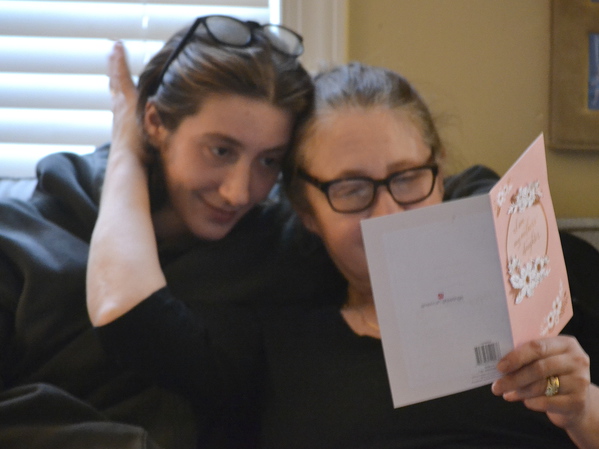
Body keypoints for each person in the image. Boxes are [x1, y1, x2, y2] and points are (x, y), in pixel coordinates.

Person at [88, 61, 599, 448]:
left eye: (407, 178)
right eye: (352, 190)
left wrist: (582, 407)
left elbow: (569, 397)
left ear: (440, 175)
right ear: (306, 211)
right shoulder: (277, 341)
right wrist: (127, 146)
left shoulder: (534, 290)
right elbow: (127, 313)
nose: (388, 214)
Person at [0, 14, 325, 449]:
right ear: (153, 122)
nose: (239, 191)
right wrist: (126, 148)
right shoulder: (27, 234)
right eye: (220, 150)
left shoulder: (279, 264)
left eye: (268, 161)